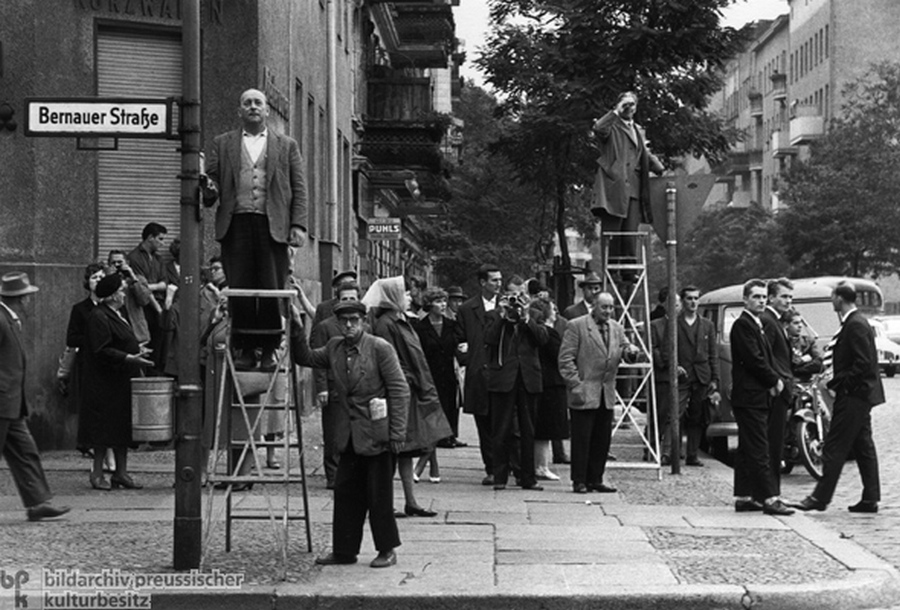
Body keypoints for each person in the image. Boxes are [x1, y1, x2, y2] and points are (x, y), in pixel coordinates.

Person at [291, 300, 409, 568]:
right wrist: (297, 329)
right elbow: (306, 358)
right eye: (343, 321)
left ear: (364, 321)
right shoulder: (334, 347)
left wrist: (397, 433)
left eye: (354, 320)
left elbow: (400, 390)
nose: (348, 326)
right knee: (345, 493)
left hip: (377, 434)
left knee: (379, 495)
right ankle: (344, 551)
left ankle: (387, 549)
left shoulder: (379, 348)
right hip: (348, 435)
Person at [201, 88, 308, 371]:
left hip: (273, 225)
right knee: (240, 288)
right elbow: (210, 186)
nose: (252, 107)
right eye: (246, 103)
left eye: (257, 103)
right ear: (239, 110)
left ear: (267, 110)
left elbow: (299, 188)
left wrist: (298, 224)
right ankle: (245, 349)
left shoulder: (286, 145)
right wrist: (206, 186)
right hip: (236, 223)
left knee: (272, 287)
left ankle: (270, 348)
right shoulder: (222, 144)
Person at [363, 277, 452, 517]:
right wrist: (408, 378)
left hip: (408, 392)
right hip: (399, 393)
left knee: (406, 450)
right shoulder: (386, 323)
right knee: (394, 448)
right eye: (405, 293)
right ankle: (385, 503)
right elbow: (388, 360)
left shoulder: (398, 320)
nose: (410, 297)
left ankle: (410, 501)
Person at [794, 281, 884, 513]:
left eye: (833, 296)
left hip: (853, 395)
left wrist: (839, 384)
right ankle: (870, 498)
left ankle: (820, 498)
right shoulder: (854, 323)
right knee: (863, 445)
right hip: (860, 395)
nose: (832, 300)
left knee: (835, 446)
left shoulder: (855, 325)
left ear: (839, 299)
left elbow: (863, 364)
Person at [0, 272, 71, 521]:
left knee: (26, 451)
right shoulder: (0, 319)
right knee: (24, 451)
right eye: (28, 296)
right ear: (20, 298)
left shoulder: (10, 319)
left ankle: (38, 502)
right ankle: (38, 502)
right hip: (2, 402)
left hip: (12, 404)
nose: (30, 301)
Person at [558, 292, 638, 494]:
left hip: (606, 393)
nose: (608, 311)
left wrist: (631, 352)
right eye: (604, 307)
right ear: (593, 306)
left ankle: (596, 478)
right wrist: (576, 385)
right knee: (582, 439)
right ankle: (579, 480)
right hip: (584, 391)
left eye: (611, 307)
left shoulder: (617, 328)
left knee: (602, 440)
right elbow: (565, 359)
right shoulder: (576, 326)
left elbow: (625, 349)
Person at [81, 274, 155, 490]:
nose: (124, 295)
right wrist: (128, 357)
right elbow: (101, 349)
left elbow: (121, 340)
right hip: (105, 383)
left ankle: (121, 473)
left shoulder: (117, 314)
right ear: (113, 296)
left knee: (122, 429)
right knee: (103, 431)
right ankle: (97, 474)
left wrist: (137, 350)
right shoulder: (99, 316)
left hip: (121, 380)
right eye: (121, 292)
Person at [729, 279, 794, 516]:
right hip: (750, 396)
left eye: (764, 297)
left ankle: (745, 496)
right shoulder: (743, 325)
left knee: (747, 448)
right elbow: (756, 360)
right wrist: (774, 380)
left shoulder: (756, 324)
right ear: (745, 299)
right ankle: (769, 498)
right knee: (759, 448)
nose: (761, 301)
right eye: (756, 297)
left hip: (755, 396)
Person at [590, 91, 665, 273]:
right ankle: (612, 274)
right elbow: (599, 129)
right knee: (613, 236)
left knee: (630, 236)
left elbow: (643, 153)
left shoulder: (638, 130)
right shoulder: (611, 126)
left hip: (634, 188)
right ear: (618, 106)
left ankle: (629, 275)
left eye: (632, 104)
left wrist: (659, 167)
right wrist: (615, 111)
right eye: (626, 104)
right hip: (613, 189)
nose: (629, 108)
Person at [484, 289, 549, 491]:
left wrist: (527, 317)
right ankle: (500, 476)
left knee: (528, 428)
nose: (515, 306)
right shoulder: (494, 316)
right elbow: (489, 339)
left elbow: (543, 339)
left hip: (528, 377)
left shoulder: (535, 316)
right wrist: (503, 317)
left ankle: (528, 477)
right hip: (504, 378)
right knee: (501, 428)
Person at [310, 279, 363, 489]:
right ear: (336, 302)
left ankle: (352, 473)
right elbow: (317, 358)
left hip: (358, 387)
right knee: (333, 433)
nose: (348, 302)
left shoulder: (363, 325)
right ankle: (333, 475)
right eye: (344, 299)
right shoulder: (326, 326)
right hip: (333, 387)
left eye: (352, 298)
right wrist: (321, 387)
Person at [456, 264, 503, 484]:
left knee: (504, 423)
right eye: (494, 280)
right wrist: (470, 359)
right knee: (484, 424)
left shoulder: (507, 307)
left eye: (500, 280)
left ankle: (507, 466)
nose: (498, 284)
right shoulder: (467, 309)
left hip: (502, 373)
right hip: (479, 375)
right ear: (482, 282)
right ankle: (492, 468)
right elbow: (460, 340)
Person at [413, 288, 462, 483]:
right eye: (438, 301)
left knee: (441, 424)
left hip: (448, 380)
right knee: (432, 424)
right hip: (429, 379)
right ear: (429, 304)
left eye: (444, 301)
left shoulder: (452, 325)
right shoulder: (420, 327)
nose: (443, 304)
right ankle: (424, 465)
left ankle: (432, 466)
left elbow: (459, 348)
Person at [670, 286, 720, 467]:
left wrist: (715, 380)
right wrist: (674, 366)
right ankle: (674, 452)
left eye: (696, 299)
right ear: (682, 301)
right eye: (689, 298)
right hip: (682, 376)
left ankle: (693, 454)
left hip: (702, 377)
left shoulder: (707, 325)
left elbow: (712, 354)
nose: (693, 302)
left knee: (698, 417)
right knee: (677, 413)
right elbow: (669, 349)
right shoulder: (674, 323)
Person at [760, 277, 794, 487]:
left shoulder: (776, 321)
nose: (788, 301)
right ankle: (771, 490)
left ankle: (771, 489)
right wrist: (777, 382)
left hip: (779, 387)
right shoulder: (769, 322)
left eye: (790, 297)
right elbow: (766, 356)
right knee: (773, 442)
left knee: (775, 441)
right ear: (771, 298)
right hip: (776, 390)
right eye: (783, 296)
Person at [534, 298, 568, 481]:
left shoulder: (539, 332)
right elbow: (560, 357)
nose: (556, 312)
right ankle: (541, 466)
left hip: (543, 383)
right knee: (546, 431)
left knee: (541, 430)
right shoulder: (550, 333)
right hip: (551, 385)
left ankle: (539, 465)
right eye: (553, 309)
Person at [127, 222, 168, 370]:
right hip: (143, 307)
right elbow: (138, 287)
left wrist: (149, 286)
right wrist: (154, 289)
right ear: (150, 237)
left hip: (158, 305)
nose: (163, 244)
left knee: (159, 344)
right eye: (161, 239)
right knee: (145, 343)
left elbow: (164, 283)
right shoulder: (134, 257)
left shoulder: (159, 259)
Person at [108, 250, 153, 346]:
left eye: (120, 262)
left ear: (127, 263)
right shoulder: (106, 281)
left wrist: (133, 278)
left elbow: (144, 300)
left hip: (137, 332)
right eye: (113, 262)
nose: (117, 265)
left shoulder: (138, 279)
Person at [784, 309, 823, 382]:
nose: (800, 326)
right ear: (786, 325)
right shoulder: (783, 342)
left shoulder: (808, 341)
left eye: (800, 322)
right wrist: (807, 359)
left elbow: (819, 363)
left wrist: (798, 368)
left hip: (805, 382)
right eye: (796, 323)